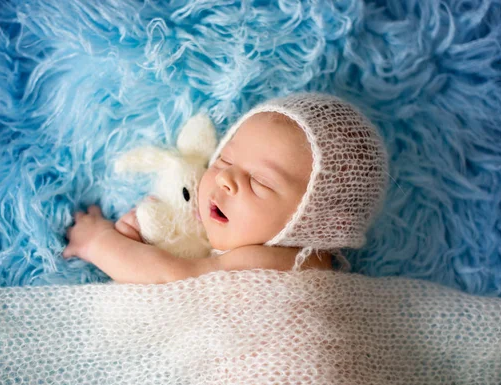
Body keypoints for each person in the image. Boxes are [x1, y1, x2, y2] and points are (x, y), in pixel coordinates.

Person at [62, 93, 389, 284]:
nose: (225, 179)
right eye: (224, 160)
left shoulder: (293, 263)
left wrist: (98, 242)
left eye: (259, 181)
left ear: (320, 224)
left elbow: (172, 280)